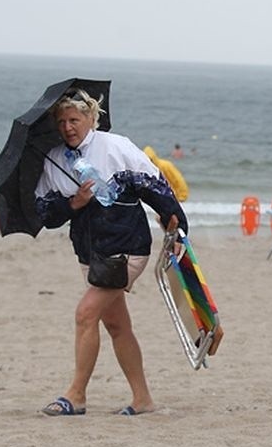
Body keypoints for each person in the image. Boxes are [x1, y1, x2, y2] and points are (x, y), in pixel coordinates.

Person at [34, 88, 188, 416]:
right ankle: (143, 399)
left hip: (126, 249)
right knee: (117, 326)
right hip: (88, 254)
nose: (67, 127)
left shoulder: (116, 147)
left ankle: (75, 396)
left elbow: (156, 187)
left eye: (74, 119)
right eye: (61, 121)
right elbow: (46, 214)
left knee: (85, 314)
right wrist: (73, 202)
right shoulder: (55, 159)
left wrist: (179, 228)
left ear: (91, 118)